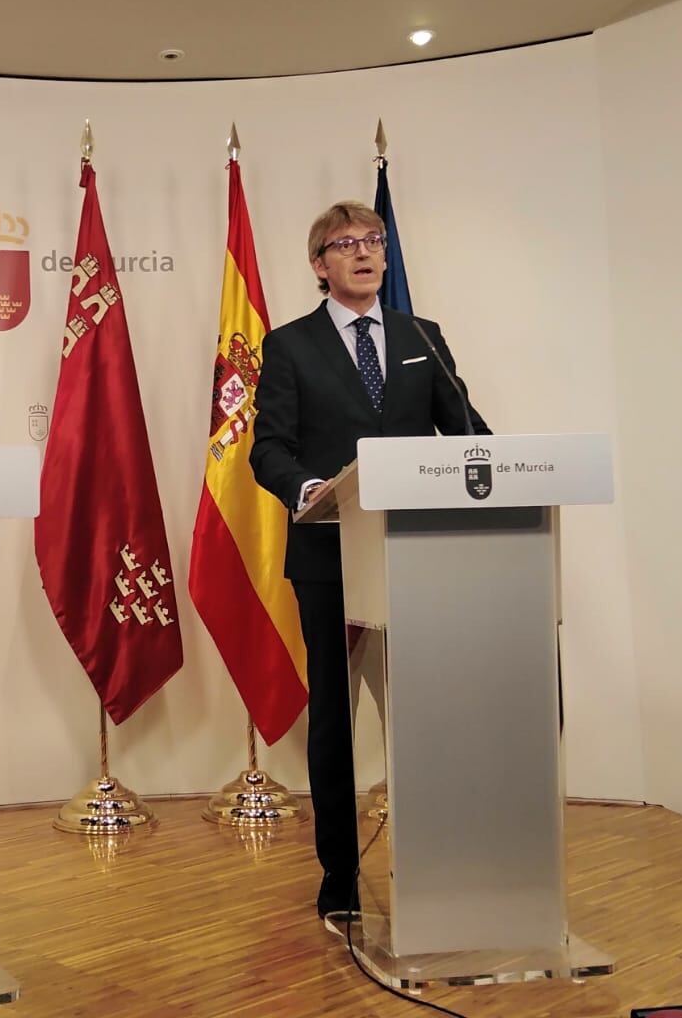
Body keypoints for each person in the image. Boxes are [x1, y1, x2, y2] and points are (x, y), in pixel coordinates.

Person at [250, 199, 488, 923]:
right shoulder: (290, 346)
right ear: (319, 265)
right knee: (336, 720)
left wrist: (496, 468)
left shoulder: (424, 336)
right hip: (331, 557)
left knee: (422, 718)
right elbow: (269, 448)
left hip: (416, 558)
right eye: (345, 243)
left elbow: (468, 432)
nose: (364, 252)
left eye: (373, 240)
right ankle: (339, 878)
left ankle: (438, 865)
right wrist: (309, 488)